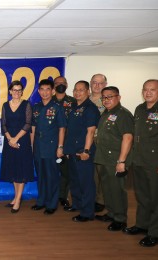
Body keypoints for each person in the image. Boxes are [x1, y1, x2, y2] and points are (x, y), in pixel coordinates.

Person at [123, 79, 158, 247]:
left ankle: (155, 232)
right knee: (142, 196)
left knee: (156, 198)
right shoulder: (139, 109)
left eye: (152, 89)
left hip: (154, 162)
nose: (148, 92)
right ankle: (142, 225)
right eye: (145, 89)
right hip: (139, 159)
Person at [94, 86, 133, 231]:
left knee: (117, 190)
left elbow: (128, 137)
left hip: (115, 160)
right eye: (104, 97)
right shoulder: (106, 113)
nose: (106, 100)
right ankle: (111, 213)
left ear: (119, 97)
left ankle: (120, 219)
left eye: (110, 97)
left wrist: (121, 161)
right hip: (103, 158)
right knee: (108, 188)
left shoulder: (123, 114)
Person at [63, 81, 100, 222]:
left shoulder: (90, 108)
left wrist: (86, 151)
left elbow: (90, 132)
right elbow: (71, 130)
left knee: (86, 183)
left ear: (88, 92)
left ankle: (87, 212)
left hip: (83, 152)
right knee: (75, 181)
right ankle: (77, 204)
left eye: (81, 90)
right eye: (76, 90)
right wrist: (67, 149)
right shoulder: (73, 107)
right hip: (72, 150)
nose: (78, 93)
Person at [31, 79, 67, 215]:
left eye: (48, 89)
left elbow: (62, 128)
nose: (45, 92)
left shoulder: (57, 107)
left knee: (52, 176)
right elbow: (33, 128)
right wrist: (32, 146)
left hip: (52, 147)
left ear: (52, 91)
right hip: (38, 147)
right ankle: (41, 201)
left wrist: (60, 147)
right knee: (41, 176)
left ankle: (52, 204)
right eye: (42, 89)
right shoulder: (36, 107)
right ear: (39, 91)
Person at [0, 81, 34, 213]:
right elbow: (3, 124)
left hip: (22, 141)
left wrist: (16, 139)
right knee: (14, 170)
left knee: (21, 170)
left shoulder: (26, 105)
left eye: (19, 90)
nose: (17, 92)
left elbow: (27, 123)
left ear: (22, 92)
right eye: (14, 90)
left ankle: (18, 199)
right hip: (9, 143)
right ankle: (16, 196)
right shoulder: (5, 105)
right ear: (10, 91)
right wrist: (10, 139)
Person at [52, 76, 76, 208]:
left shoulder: (73, 102)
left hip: (67, 142)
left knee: (67, 172)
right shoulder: (49, 101)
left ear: (66, 85)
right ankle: (52, 196)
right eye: (57, 83)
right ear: (54, 86)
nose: (60, 85)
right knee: (52, 172)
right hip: (51, 142)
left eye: (62, 83)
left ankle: (63, 197)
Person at [90, 73, 108, 213]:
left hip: (101, 140)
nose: (97, 85)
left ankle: (101, 200)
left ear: (105, 85)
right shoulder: (85, 99)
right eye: (94, 82)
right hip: (86, 140)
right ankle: (92, 197)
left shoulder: (107, 101)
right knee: (91, 173)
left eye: (100, 83)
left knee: (101, 172)